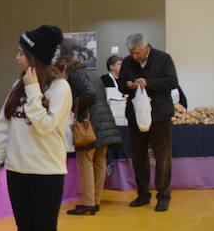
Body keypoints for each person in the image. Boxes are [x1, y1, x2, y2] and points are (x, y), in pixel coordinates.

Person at [0, 25, 85, 231]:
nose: (17, 57)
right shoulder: (17, 87)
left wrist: (32, 91)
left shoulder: (60, 89)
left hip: (47, 173)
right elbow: (3, 127)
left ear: (35, 57)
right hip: (18, 171)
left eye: (21, 53)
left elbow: (46, 127)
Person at [118, 33, 178, 212]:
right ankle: (143, 194)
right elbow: (120, 84)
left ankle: (163, 196)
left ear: (146, 47)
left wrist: (148, 83)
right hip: (135, 116)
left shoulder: (163, 58)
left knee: (162, 157)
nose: (134, 57)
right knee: (139, 157)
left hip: (160, 116)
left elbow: (172, 82)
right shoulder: (128, 62)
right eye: (132, 53)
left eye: (138, 53)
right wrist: (128, 85)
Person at [55, 57, 122, 216]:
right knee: (99, 163)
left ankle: (87, 203)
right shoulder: (91, 73)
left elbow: (89, 94)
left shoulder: (76, 75)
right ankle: (95, 201)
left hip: (89, 125)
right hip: (104, 124)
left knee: (85, 162)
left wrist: (72, 104)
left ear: (64, 69)